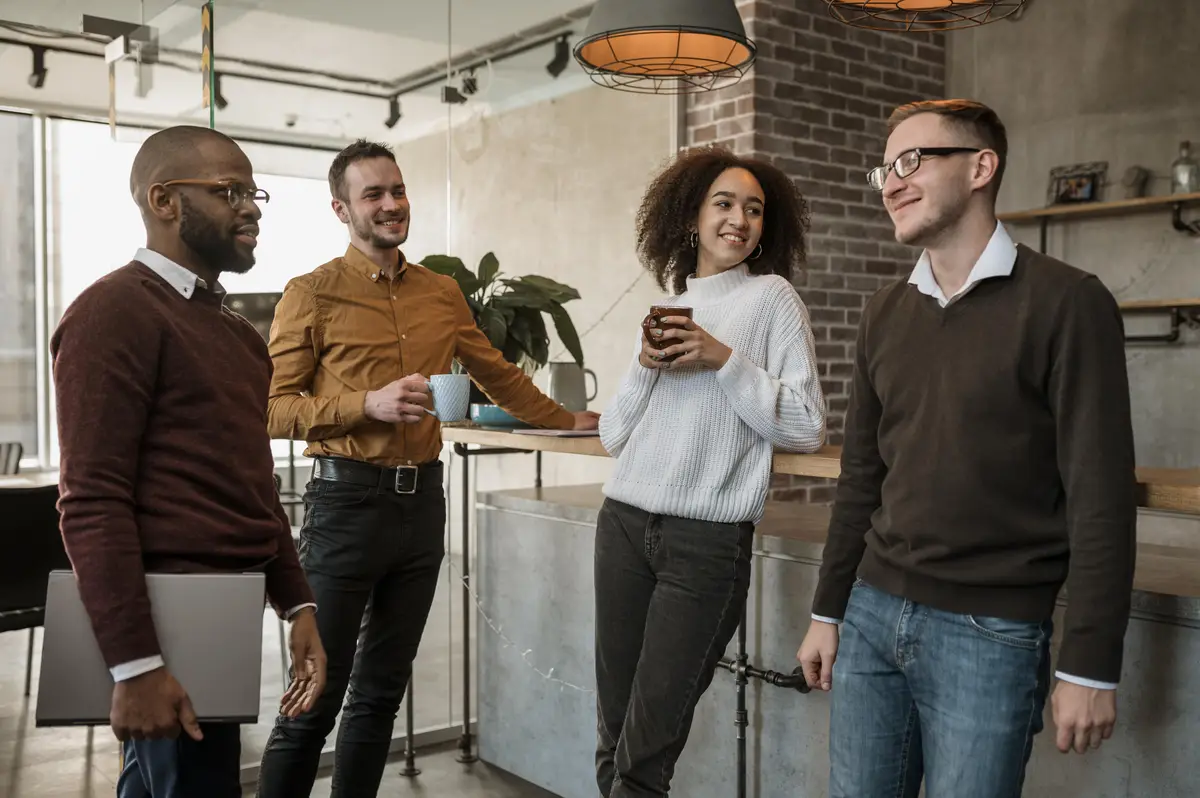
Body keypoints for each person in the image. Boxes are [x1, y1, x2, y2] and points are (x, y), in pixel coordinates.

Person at [795, 99, 1137, 797]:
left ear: (982, 167)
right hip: (871, 612)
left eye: (913, 160)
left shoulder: (1069, 302)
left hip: (994, 632)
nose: (891, 182)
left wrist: (1090, 664)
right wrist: (828, 610)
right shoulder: (882, 311)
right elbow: (862, 476)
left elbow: (1100, 495)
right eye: (884, 169)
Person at [256, 138, 600, 798]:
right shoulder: (312, 293)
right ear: (341, 209)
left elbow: (495, 372)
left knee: (380, 697)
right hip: (344, 509)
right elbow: (271, 410)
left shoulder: (442, 294)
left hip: (421, 509)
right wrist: (367, 405)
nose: (392, 204)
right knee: (314, 698)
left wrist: (566, 418)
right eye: (374, 195)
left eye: (398, 190)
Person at [50, 125, 327, 798]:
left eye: (253, 192)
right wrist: (135, 665)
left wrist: (297, 605)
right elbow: (92, 500)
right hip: (166, 621)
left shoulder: (235, 334)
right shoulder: (113, 312)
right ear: (165, 201)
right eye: (229, 191)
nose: (252, 207)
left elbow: (254, 489)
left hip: (221, 614)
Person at [595, 145, 827, 797]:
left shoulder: (772, 299)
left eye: (753, 209)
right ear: (690, 217)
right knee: (613, 736)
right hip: (622, 525)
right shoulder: (670, 303)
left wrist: (724, 358)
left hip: (707, 543)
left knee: (645, 752)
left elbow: (807, 424)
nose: (739, 219)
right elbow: (616, 435)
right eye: (723, 204)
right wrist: (645, 363)